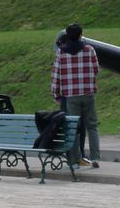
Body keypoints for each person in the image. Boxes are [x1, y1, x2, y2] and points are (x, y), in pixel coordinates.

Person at [51, 23, 100, 168]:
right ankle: (95, 158)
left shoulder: (61, 52)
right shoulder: (89, 50)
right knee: (92, 126)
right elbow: (96, 69)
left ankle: (74, 159)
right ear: (80, 34)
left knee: (73, 128)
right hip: (88, 94)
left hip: (71, 95)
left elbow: (56, 75)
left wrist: (56, 93)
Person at [54, 31, 87, 165]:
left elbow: (56, 78)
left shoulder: (61, 54)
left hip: (66, 95)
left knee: (70, 126)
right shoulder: (84, 52)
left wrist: (56, 94)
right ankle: (80, 154)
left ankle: (71, 156)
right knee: (80, 126)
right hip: (82, 94)